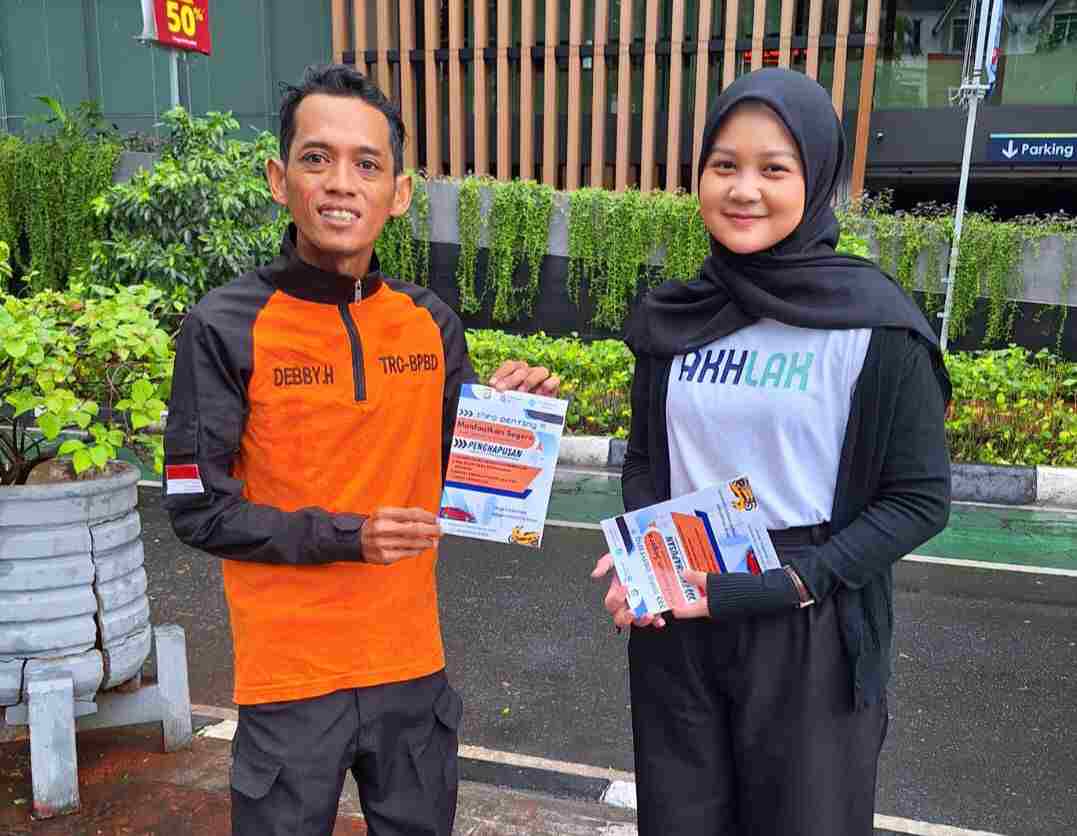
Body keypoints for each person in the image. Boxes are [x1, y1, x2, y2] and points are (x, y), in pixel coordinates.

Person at [162, 64, 558, 836]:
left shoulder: (428, 322)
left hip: (411, 670)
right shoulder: (223, 325)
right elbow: (196, 508)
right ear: (279, 178)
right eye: (316, 158)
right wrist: (351, 536)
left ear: (398, 193)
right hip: (288, 681)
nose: (340, 183)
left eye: (366, 164)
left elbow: (469, 482)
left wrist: (512, 422)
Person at [591, 67, 952, 836]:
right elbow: (645, 460)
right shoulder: (674, 317)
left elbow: (918, 500)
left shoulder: (874, 324)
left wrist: (791, 582)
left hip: (808, 619)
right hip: (682, 614)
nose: (743, 189)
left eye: (773, 169)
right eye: (723, 165)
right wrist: (645, 555)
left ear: (814, 179)